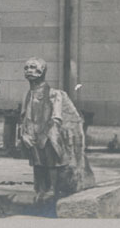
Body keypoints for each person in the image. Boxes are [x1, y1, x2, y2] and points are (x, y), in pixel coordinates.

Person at [18, 57, 93, 203]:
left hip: (49, 134)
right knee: (37, 163)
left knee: (52, 162)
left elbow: (56, 117)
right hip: (32, 133)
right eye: (26, 68)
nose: (29, 71)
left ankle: (53, 189)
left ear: (42, 71)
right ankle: (40, 189)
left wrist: (46, 134)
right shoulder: (27, 95)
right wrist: (24, 134)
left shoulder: (54, 94)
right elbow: (24, 117)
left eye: (33, 67)